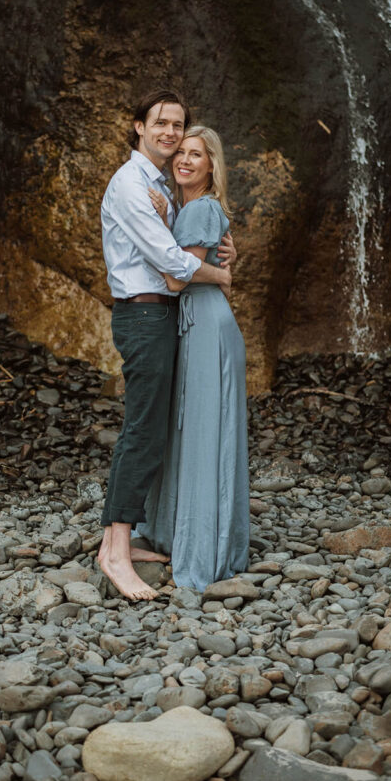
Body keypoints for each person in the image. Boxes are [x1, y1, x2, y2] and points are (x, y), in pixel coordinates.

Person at [98, 91, 236, 601]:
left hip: (163, 313)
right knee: (144, 430)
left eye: (178, 125)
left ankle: (124, 534)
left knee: (151, 427)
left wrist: (223, 246)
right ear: (139, 126)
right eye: (160, 123)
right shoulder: (131, 185)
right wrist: (222, 273)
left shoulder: (162, 184)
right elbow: (172, 263)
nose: (171, 133)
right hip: (145, 312)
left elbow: (198, 230)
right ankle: (114, 551)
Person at [138, 125, 249, 591]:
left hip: (206, 328)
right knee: (192, 430)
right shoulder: (190, 208)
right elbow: (195, 264)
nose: (184, 160)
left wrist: (221, 278)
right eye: (180, 152)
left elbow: (179, 280)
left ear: (211, 165)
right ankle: (180, 533)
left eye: (196, 154)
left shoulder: (200, 208)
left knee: (202, 433)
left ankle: (203, 551)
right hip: (200, 326)